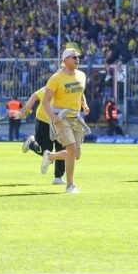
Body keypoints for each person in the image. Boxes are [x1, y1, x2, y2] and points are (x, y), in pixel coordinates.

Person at [40, 48, 89, 194]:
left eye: (78, 57)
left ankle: (50, 156)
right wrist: (53, 117)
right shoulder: (56, 78)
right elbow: (45, 101)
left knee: (76, 154)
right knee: (72, 148)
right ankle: (70, 185)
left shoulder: (81, 75)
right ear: (65, 60)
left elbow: (80, 92)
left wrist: (84, 104)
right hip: (61, 116)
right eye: (74, 57)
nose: (77, 59)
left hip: (76, 116)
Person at [17, 86, 65, 184]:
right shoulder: (50, 87)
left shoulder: (68, 88)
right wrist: (25, 112)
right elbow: (34, 96)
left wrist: (84, 104)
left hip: (60, 122)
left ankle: (58, 177)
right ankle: (31, 144)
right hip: (44, 121)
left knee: (62, 148)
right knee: (45, 150)